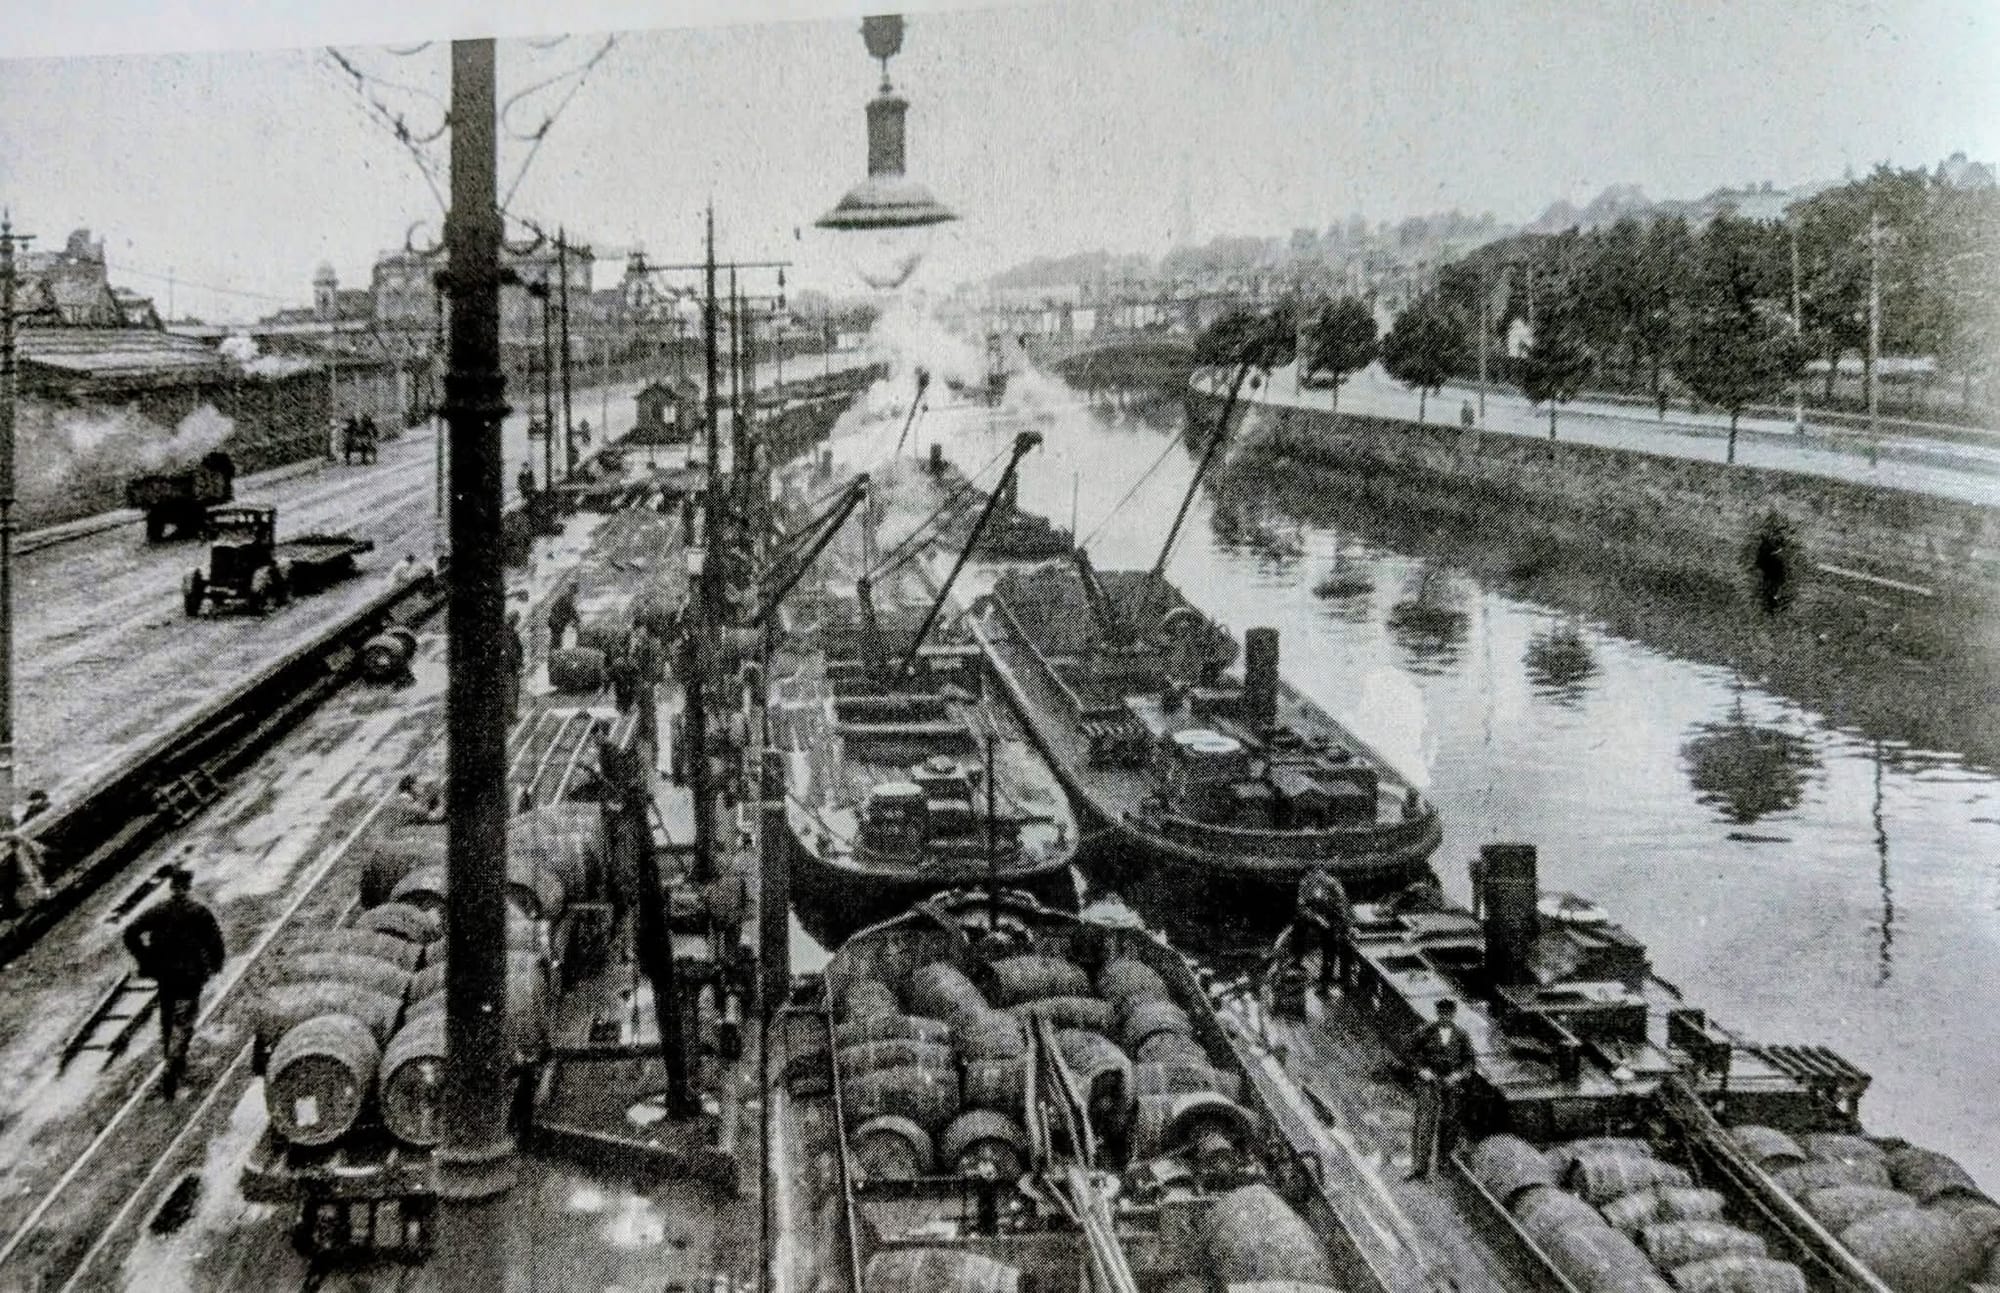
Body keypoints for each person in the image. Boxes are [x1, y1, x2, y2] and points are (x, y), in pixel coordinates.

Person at [123, 862, 225, 1100]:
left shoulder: (158, 911)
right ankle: (172, 1066)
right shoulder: (198, 912)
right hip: (190, 977)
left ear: (171, 887)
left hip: (164, 976)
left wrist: (145, 958)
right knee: (184, 1021)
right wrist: (216, 964)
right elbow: (214, 941)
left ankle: (173, 1063)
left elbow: (130, 933)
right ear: (187, 887)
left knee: (167, 1021)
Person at [1402, 998, 1475, 1179]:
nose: (1445, 1017)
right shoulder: (1425, 1032)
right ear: (1437, 1013)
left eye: (1448, 1014)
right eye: (1442, 1013)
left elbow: (1470, 1062)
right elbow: (1409, 1052)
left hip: (1451, 1084)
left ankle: (1443, 1164)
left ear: (1453, 1015)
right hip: (1430, 1082)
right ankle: (1419, 1168)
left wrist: (1458, 1075)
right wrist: (1421, 1070)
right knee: (1424, 1123)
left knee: (1449, 1124)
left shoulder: (1462, 1035)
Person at [1296, 866, 1353, 994]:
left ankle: (1345, 983)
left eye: (1312, 876)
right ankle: (1326, 984)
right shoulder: (1309, 885)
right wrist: (1317, 918)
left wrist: (1338, 926)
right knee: (1328, 952)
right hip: (1325, 921)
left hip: (1339, 920)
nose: (1308, 880)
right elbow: (1302, 907)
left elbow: (1341, 906)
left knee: (1341, 952)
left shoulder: (1331, 884)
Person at [0, 812, 49, 919]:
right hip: (9, 869)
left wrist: (33, 848)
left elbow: (13, 837)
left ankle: (39, 898)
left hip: (12, 865)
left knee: (27, 875)